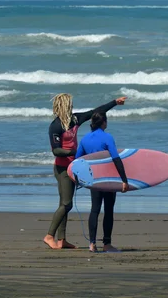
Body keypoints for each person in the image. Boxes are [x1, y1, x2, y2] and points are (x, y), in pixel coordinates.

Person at [43, 94, 126, 250]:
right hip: (62, 168)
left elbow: (96, 111)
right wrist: (74, 151)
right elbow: (56, 151)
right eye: (70, 104)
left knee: (65, 204)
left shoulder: (74, 119)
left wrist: (115, 103)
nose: (72, 106)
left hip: (73, 166)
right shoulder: (55, 126)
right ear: (64, 106)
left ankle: (62, 240)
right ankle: (49, 236)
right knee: (66, 204)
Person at [76, 112, 129, 253]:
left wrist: (78, 180)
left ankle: (92, 244)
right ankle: (107, 244)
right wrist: (124, 180)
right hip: (109, 179)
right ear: (104, 122)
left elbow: (77, 161)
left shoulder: (85, 139)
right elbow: (116, 159)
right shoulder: (107, 137)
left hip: (94, 180)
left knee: (95, 209)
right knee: (109, 210)